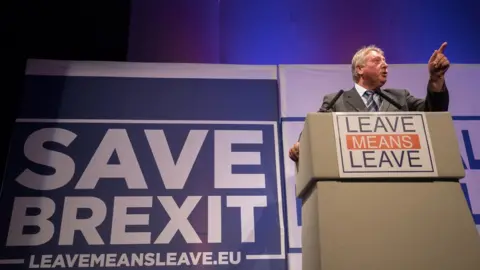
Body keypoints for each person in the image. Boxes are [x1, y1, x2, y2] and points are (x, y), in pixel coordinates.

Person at [288, 42, 451, 162]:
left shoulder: (400, 98)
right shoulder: (336, 101)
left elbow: (434, 114)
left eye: (385, 61)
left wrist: (436, 78)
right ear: (359, 69)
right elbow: (315, 129)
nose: (385, 65)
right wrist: (300, 145)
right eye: (377, 61)